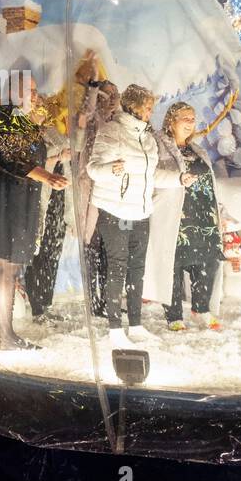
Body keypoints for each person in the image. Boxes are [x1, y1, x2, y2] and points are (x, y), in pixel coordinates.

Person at [87, 84, 193, 347]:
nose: (150, 112)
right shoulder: (112, 131)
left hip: (141, 211)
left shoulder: (147, 138)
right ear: (133, 105)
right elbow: (93, 169)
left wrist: (179, 178)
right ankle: (115, 329)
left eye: (151, 108)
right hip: (114, 212)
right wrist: (111, 168)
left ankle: (135, 325)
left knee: (137, 270)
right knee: (117, 268)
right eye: (147, 107)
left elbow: (152, 175)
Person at [0, 72, 69, 350]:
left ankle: (6, 333)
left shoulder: (23, 122)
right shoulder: (4, 117)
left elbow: (28, 158)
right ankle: (4, 335)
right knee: (5, 266)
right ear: (14, 91)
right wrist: (46, 176)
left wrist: (50, 168)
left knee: (11, 268)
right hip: (4, 205)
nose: (35, 95)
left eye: (36, 90)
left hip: (19, 204)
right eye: (30, 89)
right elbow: (8, 156)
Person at [142, 102, 223, 331]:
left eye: (193, 118)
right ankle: (174, 315)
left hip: (203, 218)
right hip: (175, 216)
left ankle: (201, 308)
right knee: (173, 264)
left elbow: (210, 184)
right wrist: (177, 178)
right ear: (171, 121)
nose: (190, 122)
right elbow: (150, 175)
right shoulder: (157, 145)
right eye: (185, 118)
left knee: (207, 260)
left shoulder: (198, 150)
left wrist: (220, 213)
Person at [75, 79, 119, 317]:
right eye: (106, 95)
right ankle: (93, 300)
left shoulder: (118, 121)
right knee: (90, 242)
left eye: (114, 95)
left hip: (112, 189)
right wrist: (92, 92)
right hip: (90, 186)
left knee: (108, 247)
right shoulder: (92, 119)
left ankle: (107, 299)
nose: (111, 99)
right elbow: (86, 112)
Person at [25, 105, 71, 322]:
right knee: (37, 253)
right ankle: (36, 307)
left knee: (53, 251)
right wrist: (57, 158)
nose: (42, 112)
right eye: (37, 108)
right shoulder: (25, 134)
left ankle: (47, 302)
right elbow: (28, 167)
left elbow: (67, 149)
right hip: (38, 197)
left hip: (58, 197)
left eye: (44, 108)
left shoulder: (50, 131)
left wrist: (62, 154)